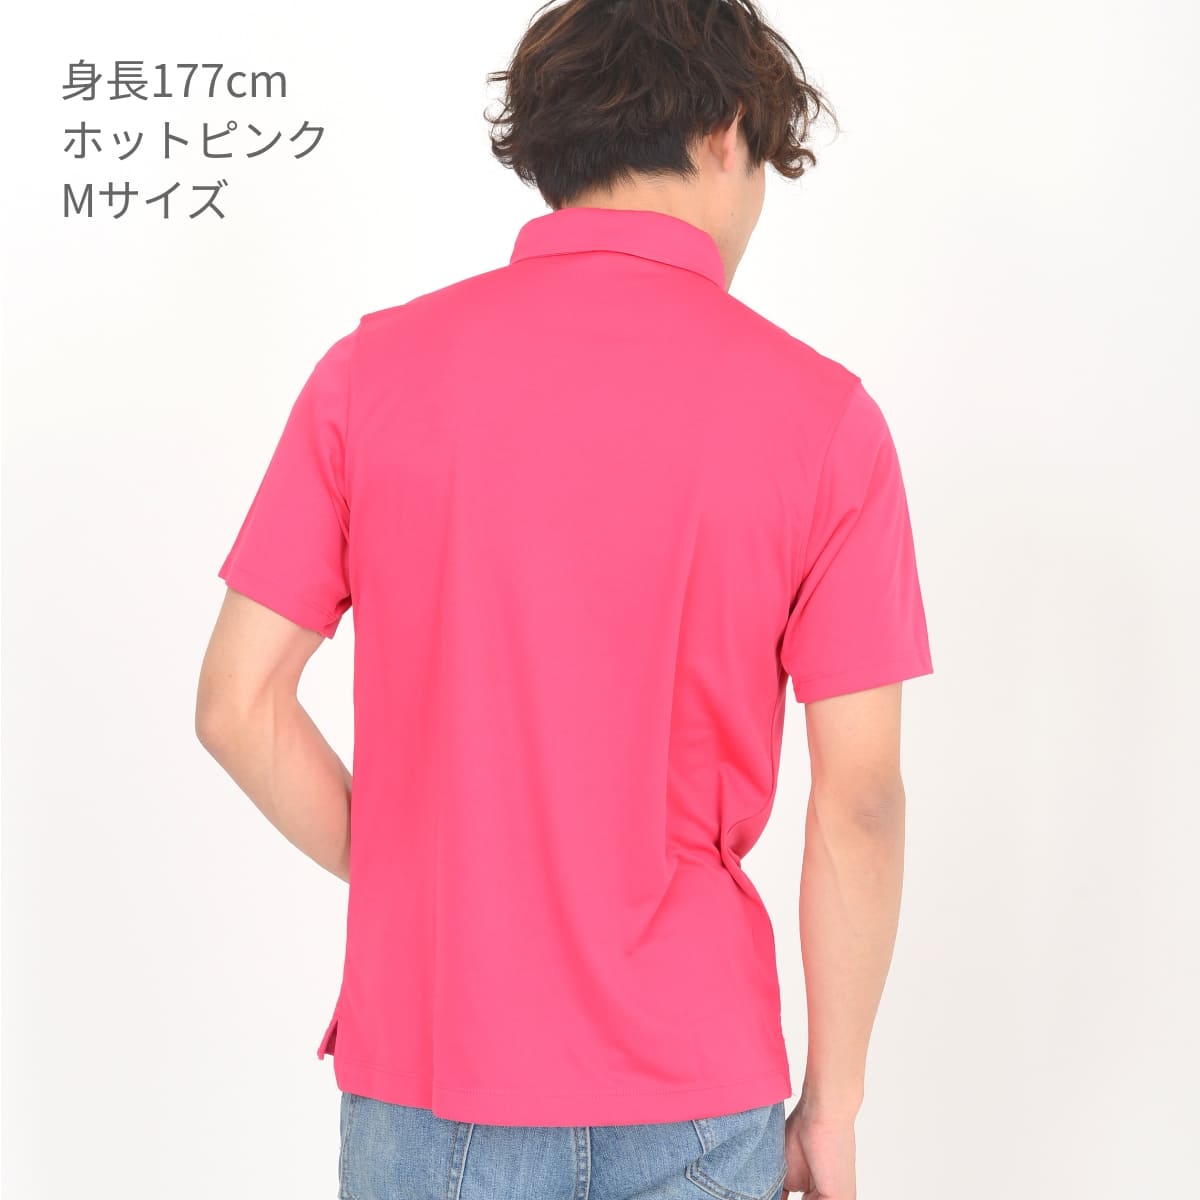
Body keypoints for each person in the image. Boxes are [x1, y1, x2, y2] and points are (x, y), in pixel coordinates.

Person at [195, 1, 934, 1197]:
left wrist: (427, 880)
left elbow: (237, 705)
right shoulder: (825, 420)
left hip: (434, 1070)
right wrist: (834, 1103)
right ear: (728, 132)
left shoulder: (370, 375)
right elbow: (859, 800)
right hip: (697, 1087)